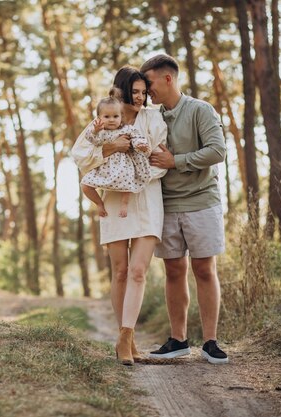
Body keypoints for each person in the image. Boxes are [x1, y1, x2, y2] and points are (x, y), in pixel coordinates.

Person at [72, 66, 168, 365]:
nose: (140, 98)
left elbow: (160, 160)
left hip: (147, 198)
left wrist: (135, 175)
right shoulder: (102, 121)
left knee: (139, 271)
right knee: (121, 271)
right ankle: (127, 337)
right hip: (114, 202)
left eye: (143, 92)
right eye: (134, 92)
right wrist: (110, 150)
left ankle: (125, 336)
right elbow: (80, 157)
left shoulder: (154, 119)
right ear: (120, 91)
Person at [141, 54, 229, 364]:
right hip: (166, 204)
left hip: (202, 201)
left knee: (204, 269)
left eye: (149, 83)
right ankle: (178, 340)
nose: (146, 90)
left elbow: (217, 151)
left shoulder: (200, 110)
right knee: (174, 270)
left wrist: (175, 161)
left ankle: (210, 342)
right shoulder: (151, 117)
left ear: (168, 78)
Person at [80, 90, 152, 218]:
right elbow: (92, 140)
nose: (111, 120)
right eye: (107, 117)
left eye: (115, 116)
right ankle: (99, 203)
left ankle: (124, 204)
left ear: (121, 117)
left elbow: (136, 138)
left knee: (128, 181)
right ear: (99, 118)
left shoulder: (127, 129)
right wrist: (95, 131)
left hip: (123, 165)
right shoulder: (101, 132)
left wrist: (139, 144)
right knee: (85, 185)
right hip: (104, 167)